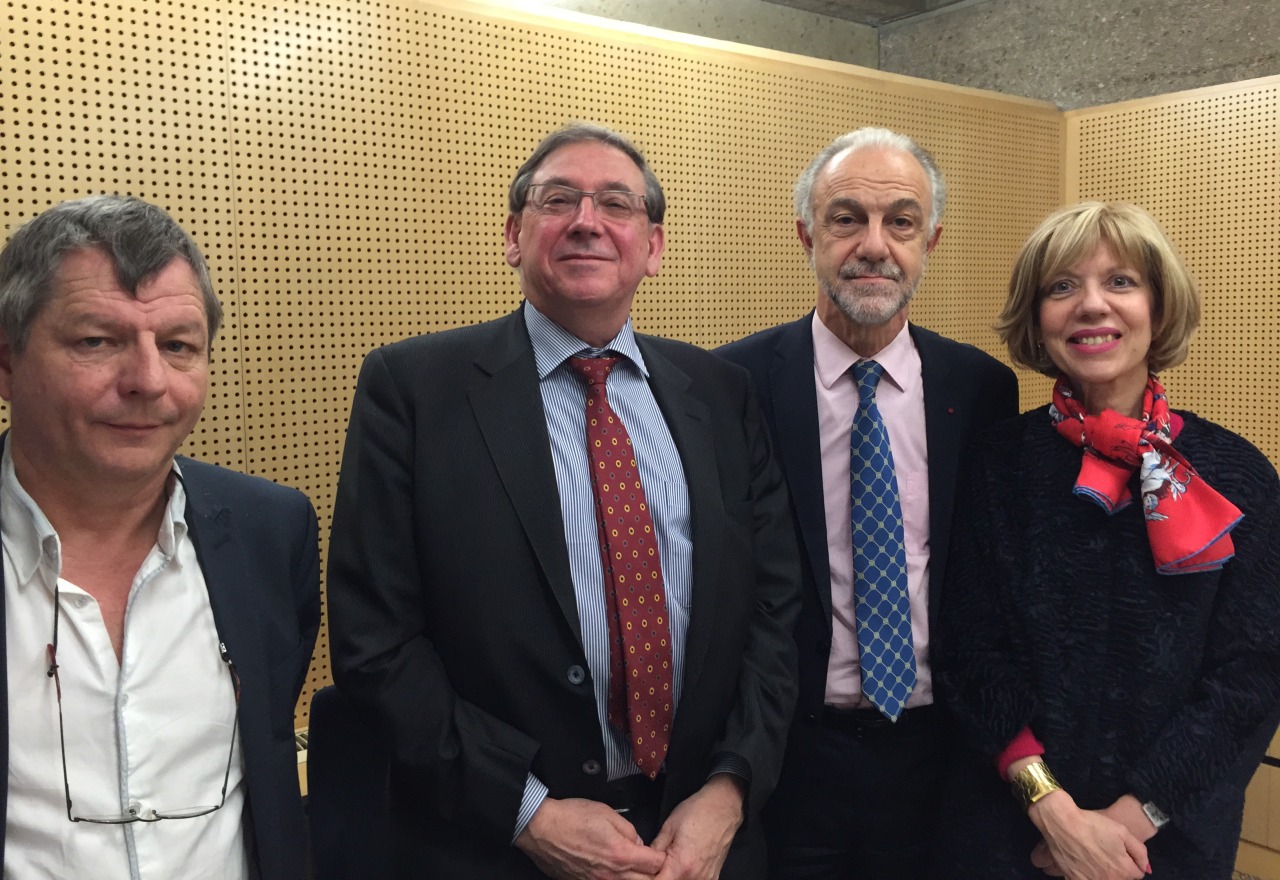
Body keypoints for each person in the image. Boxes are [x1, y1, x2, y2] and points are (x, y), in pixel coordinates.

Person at [326, 122, 802, 880]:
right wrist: (528, 812)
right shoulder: (413, 390)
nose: (587, 221)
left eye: (617, 203)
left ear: (653, 247)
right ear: (514, 236)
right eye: (558, 201)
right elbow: (375, 641)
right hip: (494, 844)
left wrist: (730, 788)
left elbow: (776, 610)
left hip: (702, 842)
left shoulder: (719, 394)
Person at [931, 201, 1280, 880]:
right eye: (1062, 287)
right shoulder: (995, 462)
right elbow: (969, 652)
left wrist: (1126, 825)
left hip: (1164, 846)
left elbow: (1251, 675)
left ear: (1159, 304)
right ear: (1038, 317)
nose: (1091, 305)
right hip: (1008, 835)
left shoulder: (1238, 474)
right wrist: (1052, 812)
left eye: (1120, 282)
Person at [716, 127, 1019, 879]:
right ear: (807, 233)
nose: (874, 245)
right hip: (790, 757)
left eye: (902, 222)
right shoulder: (731, 385)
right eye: (847, 218)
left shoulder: (981, 390)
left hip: (941, 755)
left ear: (931, 240)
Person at [0, 196, 321, 879]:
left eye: (178, 346)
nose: (148, 381)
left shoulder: (273, 533)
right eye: (97, 341)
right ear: (6, 362)